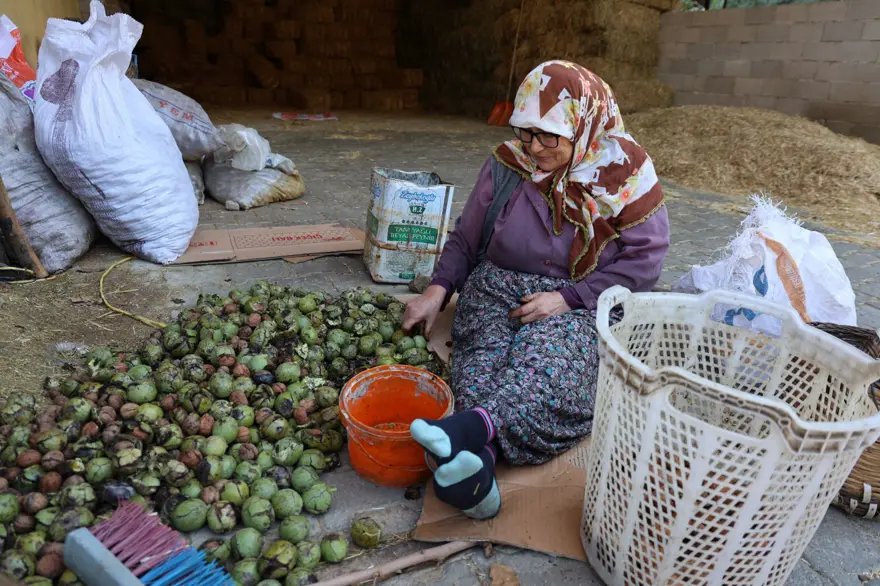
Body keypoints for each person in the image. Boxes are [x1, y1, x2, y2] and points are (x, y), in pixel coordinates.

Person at [402, 60, 670, 520]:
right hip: (497, 286)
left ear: (584, 126)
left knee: (551, 366)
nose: (534, 147)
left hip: (581, 297)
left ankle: (470, 432)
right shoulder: (508, 165)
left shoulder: (625, 173)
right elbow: (466, 238)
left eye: (549, 136)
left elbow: (645, 262)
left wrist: (566, 299)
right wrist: (437, 291)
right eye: (526, 132)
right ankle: (479, 469)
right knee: (481, 358)